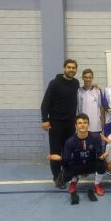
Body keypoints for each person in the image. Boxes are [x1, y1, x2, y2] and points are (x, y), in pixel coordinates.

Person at [47, 113, 106, 204]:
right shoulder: (70, 142)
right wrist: (60, 158)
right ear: (76, 125)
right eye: (79, 123)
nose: (82, 125)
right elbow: (66, 160)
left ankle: (97, 184)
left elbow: (99, 154)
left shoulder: (95, 138)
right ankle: (74, 181)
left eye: (85, 122)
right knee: (64, 174)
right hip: (77, 166)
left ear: (88, 124)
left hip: (90, 164)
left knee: (102, 164)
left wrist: (102, 156)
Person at [41, 59, 79, 188]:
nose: (71, 70)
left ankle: (66, 174)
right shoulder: (54, 83)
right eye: (69, 67)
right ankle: (57, 177)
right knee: (56, 151)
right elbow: (45, 103)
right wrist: (44, 120)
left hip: (70, 123)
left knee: (68, 150)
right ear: (64, 68)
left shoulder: (76, 83)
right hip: (56, 123)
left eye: (74, 68)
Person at [77, 69, 105, 135]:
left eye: (90, 77)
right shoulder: (78, 91)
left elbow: (101, 108)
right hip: (83, 124)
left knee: (96, 144)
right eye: (86, 77)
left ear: (92, 78)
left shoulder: (98, 91)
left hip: (96, 125)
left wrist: (103, 121)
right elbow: (77, 108)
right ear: (82, 78)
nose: (88, 79)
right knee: (83, 145)